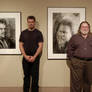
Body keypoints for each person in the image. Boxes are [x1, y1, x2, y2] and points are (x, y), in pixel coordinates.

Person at [19, 16, 43, 92]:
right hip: (25, 58)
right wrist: (25, 56)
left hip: (35, 59)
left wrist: (34, 57)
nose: (30, 23)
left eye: (32, 22)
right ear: (27, 22)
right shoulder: (23, 33)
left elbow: (40, 46)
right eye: (29, 22)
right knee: (26, 77)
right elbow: (20, 45)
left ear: (34, 22)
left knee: (35, 78)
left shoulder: (39, 33)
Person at [67, 21, 92, 92]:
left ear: (89, 28)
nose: (85, 28)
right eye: (83, 27)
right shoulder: (74, 37)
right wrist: (73, 60)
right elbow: (69, 49)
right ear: (80, 28)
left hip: (90, 63)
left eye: (86, 27)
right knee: (76, 83)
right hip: (77, 62)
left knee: (88, 82)